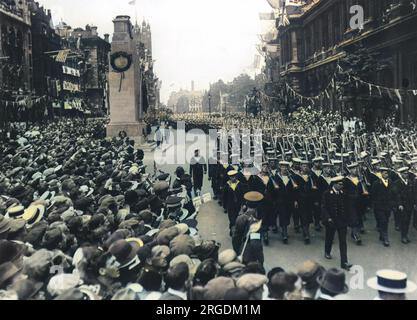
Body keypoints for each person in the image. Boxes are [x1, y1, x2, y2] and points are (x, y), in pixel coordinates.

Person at [321, 176, 353, 271]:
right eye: (340, 184)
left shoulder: (343, 193)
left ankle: (344, 262)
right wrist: (328, 218)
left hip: (342, 221)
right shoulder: (327, 193)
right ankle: (327, 251)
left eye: (342, 184)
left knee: (343, 241)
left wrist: (348, 219)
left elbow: (347, 207)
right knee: (329, 237)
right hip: (331, 220)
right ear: (334, 184)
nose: (342, 186)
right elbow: (324, 207)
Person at [371, 167, 395, 247]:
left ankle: (382, 234)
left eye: (387, 173)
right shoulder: (377, 183)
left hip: (388, 206)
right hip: (379, 206)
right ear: (381, 174)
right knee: (383, 220)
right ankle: (385, 238)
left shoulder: (391, 182)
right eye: (384, 173)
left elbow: (393, 193)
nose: (386, 175)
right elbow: (372, 194)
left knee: (386, 220)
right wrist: (375, 203)